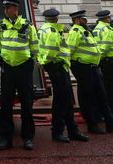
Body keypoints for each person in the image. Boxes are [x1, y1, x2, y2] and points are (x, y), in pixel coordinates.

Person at [66, 10, 113, 136]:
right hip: (83, 68)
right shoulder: (75, 32)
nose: (86, 21)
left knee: (102, 96)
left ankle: (111, 124)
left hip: (93, 67)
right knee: (89, 96)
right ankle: (92, 125)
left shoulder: (86, 31)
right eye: (84, 19)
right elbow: (69, 51)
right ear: (77, 20)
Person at [37, 9, 88, 143]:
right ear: (56, 19)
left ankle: (71, 129)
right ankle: (59, 131)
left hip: (58, 68)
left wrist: (43, 62)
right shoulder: (52, 31)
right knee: (61, 102)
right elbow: (52, 51)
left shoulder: (44, 29)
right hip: (58, 68)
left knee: (66, 101)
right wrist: (44, 62)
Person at [0, 0, 38, 151]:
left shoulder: (27, 26)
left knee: (26, 104)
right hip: (8, 70)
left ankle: (27, 138)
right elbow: (0, 46)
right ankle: (6, 138)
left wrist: (34, 61)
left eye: (9, 8)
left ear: (16, 9)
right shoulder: (0, 27)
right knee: (6, 105)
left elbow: (34, 46)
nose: (6, 11)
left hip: (23, 69)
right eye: (5, 8)